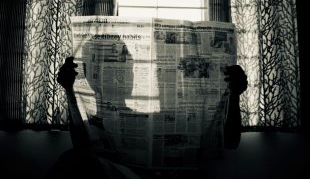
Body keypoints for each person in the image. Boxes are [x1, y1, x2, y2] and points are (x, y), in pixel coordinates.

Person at [52, 57, 247, 177]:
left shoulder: (169, 116)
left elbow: (230, 141)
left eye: (128, 62)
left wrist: (235, 95)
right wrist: (69, 90)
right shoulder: (96, 121)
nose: (127, 70)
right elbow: (82, 147)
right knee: (71, 160)